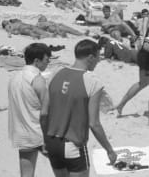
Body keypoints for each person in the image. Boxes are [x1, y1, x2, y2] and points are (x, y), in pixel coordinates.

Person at [43, 39, 117, 176]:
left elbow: (44, 112)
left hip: (52, 142)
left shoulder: (55, 73)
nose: (99, 61)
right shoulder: (92, 81)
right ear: (90, 57)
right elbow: (94, 124)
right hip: (72, 145)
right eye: (98, 57)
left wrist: (44, 140)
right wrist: (109, 149)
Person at [8, 43, 51, 177]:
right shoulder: (38, 80)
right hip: (39, 132)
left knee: (26, 174)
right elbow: (45, 112)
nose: (48, 63)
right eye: (46, 60)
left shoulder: (13, 78)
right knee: (67, 168)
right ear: (36, 61)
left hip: (22, 133)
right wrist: (47, 139)